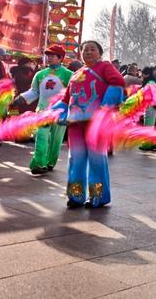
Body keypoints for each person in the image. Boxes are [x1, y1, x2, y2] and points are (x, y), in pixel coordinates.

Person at [54, 41, 125, 208]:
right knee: (75, 160)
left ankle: (98, 197)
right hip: (75, 124)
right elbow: (65, 100)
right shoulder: (76, 74)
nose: (88, 52)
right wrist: (53, 113)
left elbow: (117, 83)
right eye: (85, 50)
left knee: (97, 161)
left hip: (96, 124)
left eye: (92, 49)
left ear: (99, 53)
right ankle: (76, 196)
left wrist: (105, 107)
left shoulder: (105, 67)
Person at [16, 46, 73, 174]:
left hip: (60, 113)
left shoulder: (69, 75)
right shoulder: (40, 74)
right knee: (41, 137)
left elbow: (73, 95)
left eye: (52, 56)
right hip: (43, 111)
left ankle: (50, 162)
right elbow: (34, 91)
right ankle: (39, 163)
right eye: (48, 55)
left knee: (56, 140)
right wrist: (23, 97)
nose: (49, 58)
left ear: (60, 58)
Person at [138, 66, 156, 151]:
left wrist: (155, 104)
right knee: (150, 125)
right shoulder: (151, 82)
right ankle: (149, 142)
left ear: (146, 74)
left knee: (148, 125)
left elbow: (154, 94)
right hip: (151, 106)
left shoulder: (150, 82)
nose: (141, 75)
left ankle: (146, 144)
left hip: (151, 106)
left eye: (143, 73)